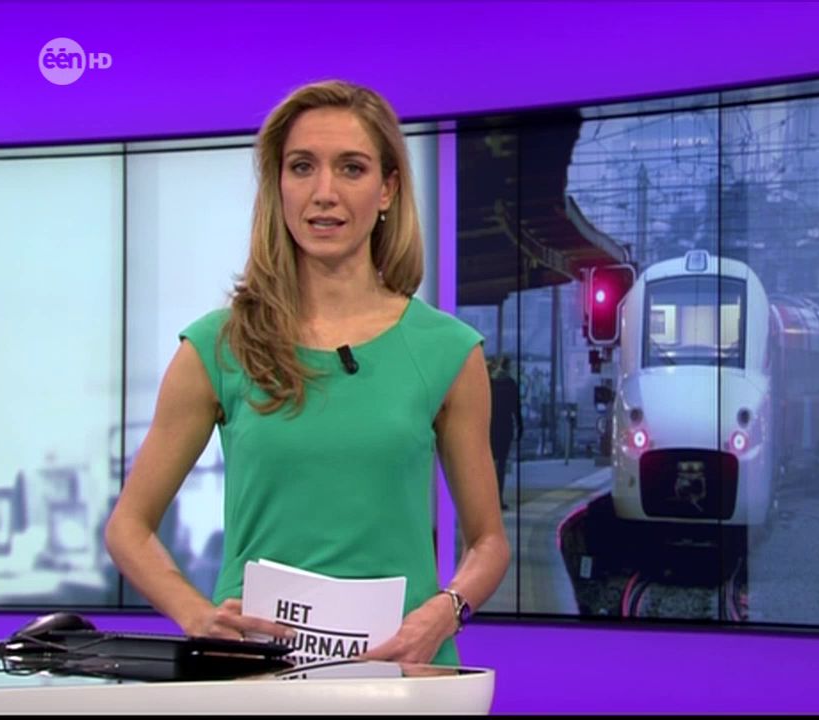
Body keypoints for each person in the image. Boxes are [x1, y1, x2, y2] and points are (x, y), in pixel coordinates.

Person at [104, 80, 509, 667]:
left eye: (351, 168)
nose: (325, 193)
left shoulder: (448, 350)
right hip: (257, 674)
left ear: (388, 189)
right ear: (278, 186)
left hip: (402, 671)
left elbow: (489, 541)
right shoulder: (217, 346)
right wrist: (198, 617)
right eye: (302, 167)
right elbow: (128, 527)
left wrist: (443, 613)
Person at [487, 355, 522, 510]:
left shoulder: (489, 383)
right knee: (501, 465)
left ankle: (486, 500)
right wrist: (520, 427)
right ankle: (498, 499)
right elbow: (517, 409)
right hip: (505, 427)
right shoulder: (511, 384)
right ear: (508, 367)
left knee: (488, 465)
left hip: (490, 427)